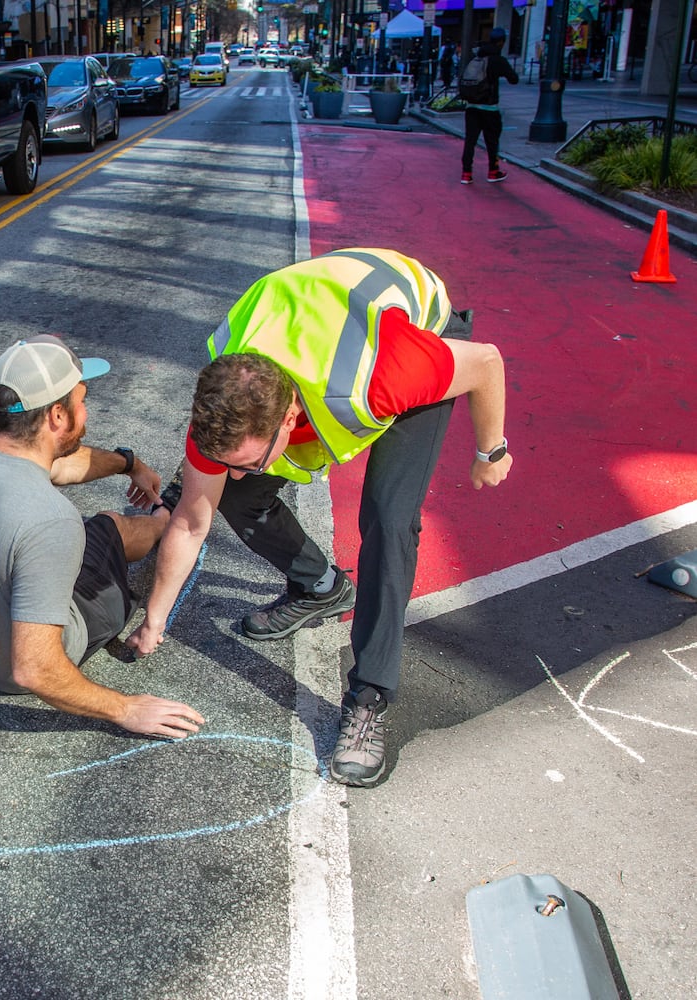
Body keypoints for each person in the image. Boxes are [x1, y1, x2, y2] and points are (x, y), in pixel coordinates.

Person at [128, 248, 512, 787]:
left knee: (388, 518)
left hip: (410, 323)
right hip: (319, 313)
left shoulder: (379, 378)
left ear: (289, 418)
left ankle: (369, 698)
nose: (238, 472)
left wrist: (490, 450)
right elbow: (192, 523)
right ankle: (321, 588)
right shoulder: (221, 406)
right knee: (231, 497)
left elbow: (487, 360)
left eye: (251, 460)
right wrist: (155, 620)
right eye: (229, 461)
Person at [0, 335, 206, 739]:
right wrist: (125, 708)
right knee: (108, 526)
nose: (87, 411)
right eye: (81, 401)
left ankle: (155, 517)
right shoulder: (52, 521)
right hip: (10, 671)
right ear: (57, 417)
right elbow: (34, 669)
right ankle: (162, 519)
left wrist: (129, 463)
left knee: (67, 535)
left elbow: (62, 466)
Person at [458, 27, 519, 184]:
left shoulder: (476, 58)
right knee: (492, 141)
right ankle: (493, 171)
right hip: (489, 107)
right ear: (501, 42)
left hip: (471, 106)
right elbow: (514, 79)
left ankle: (466, 173)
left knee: (470, 141)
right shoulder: (498, 60)